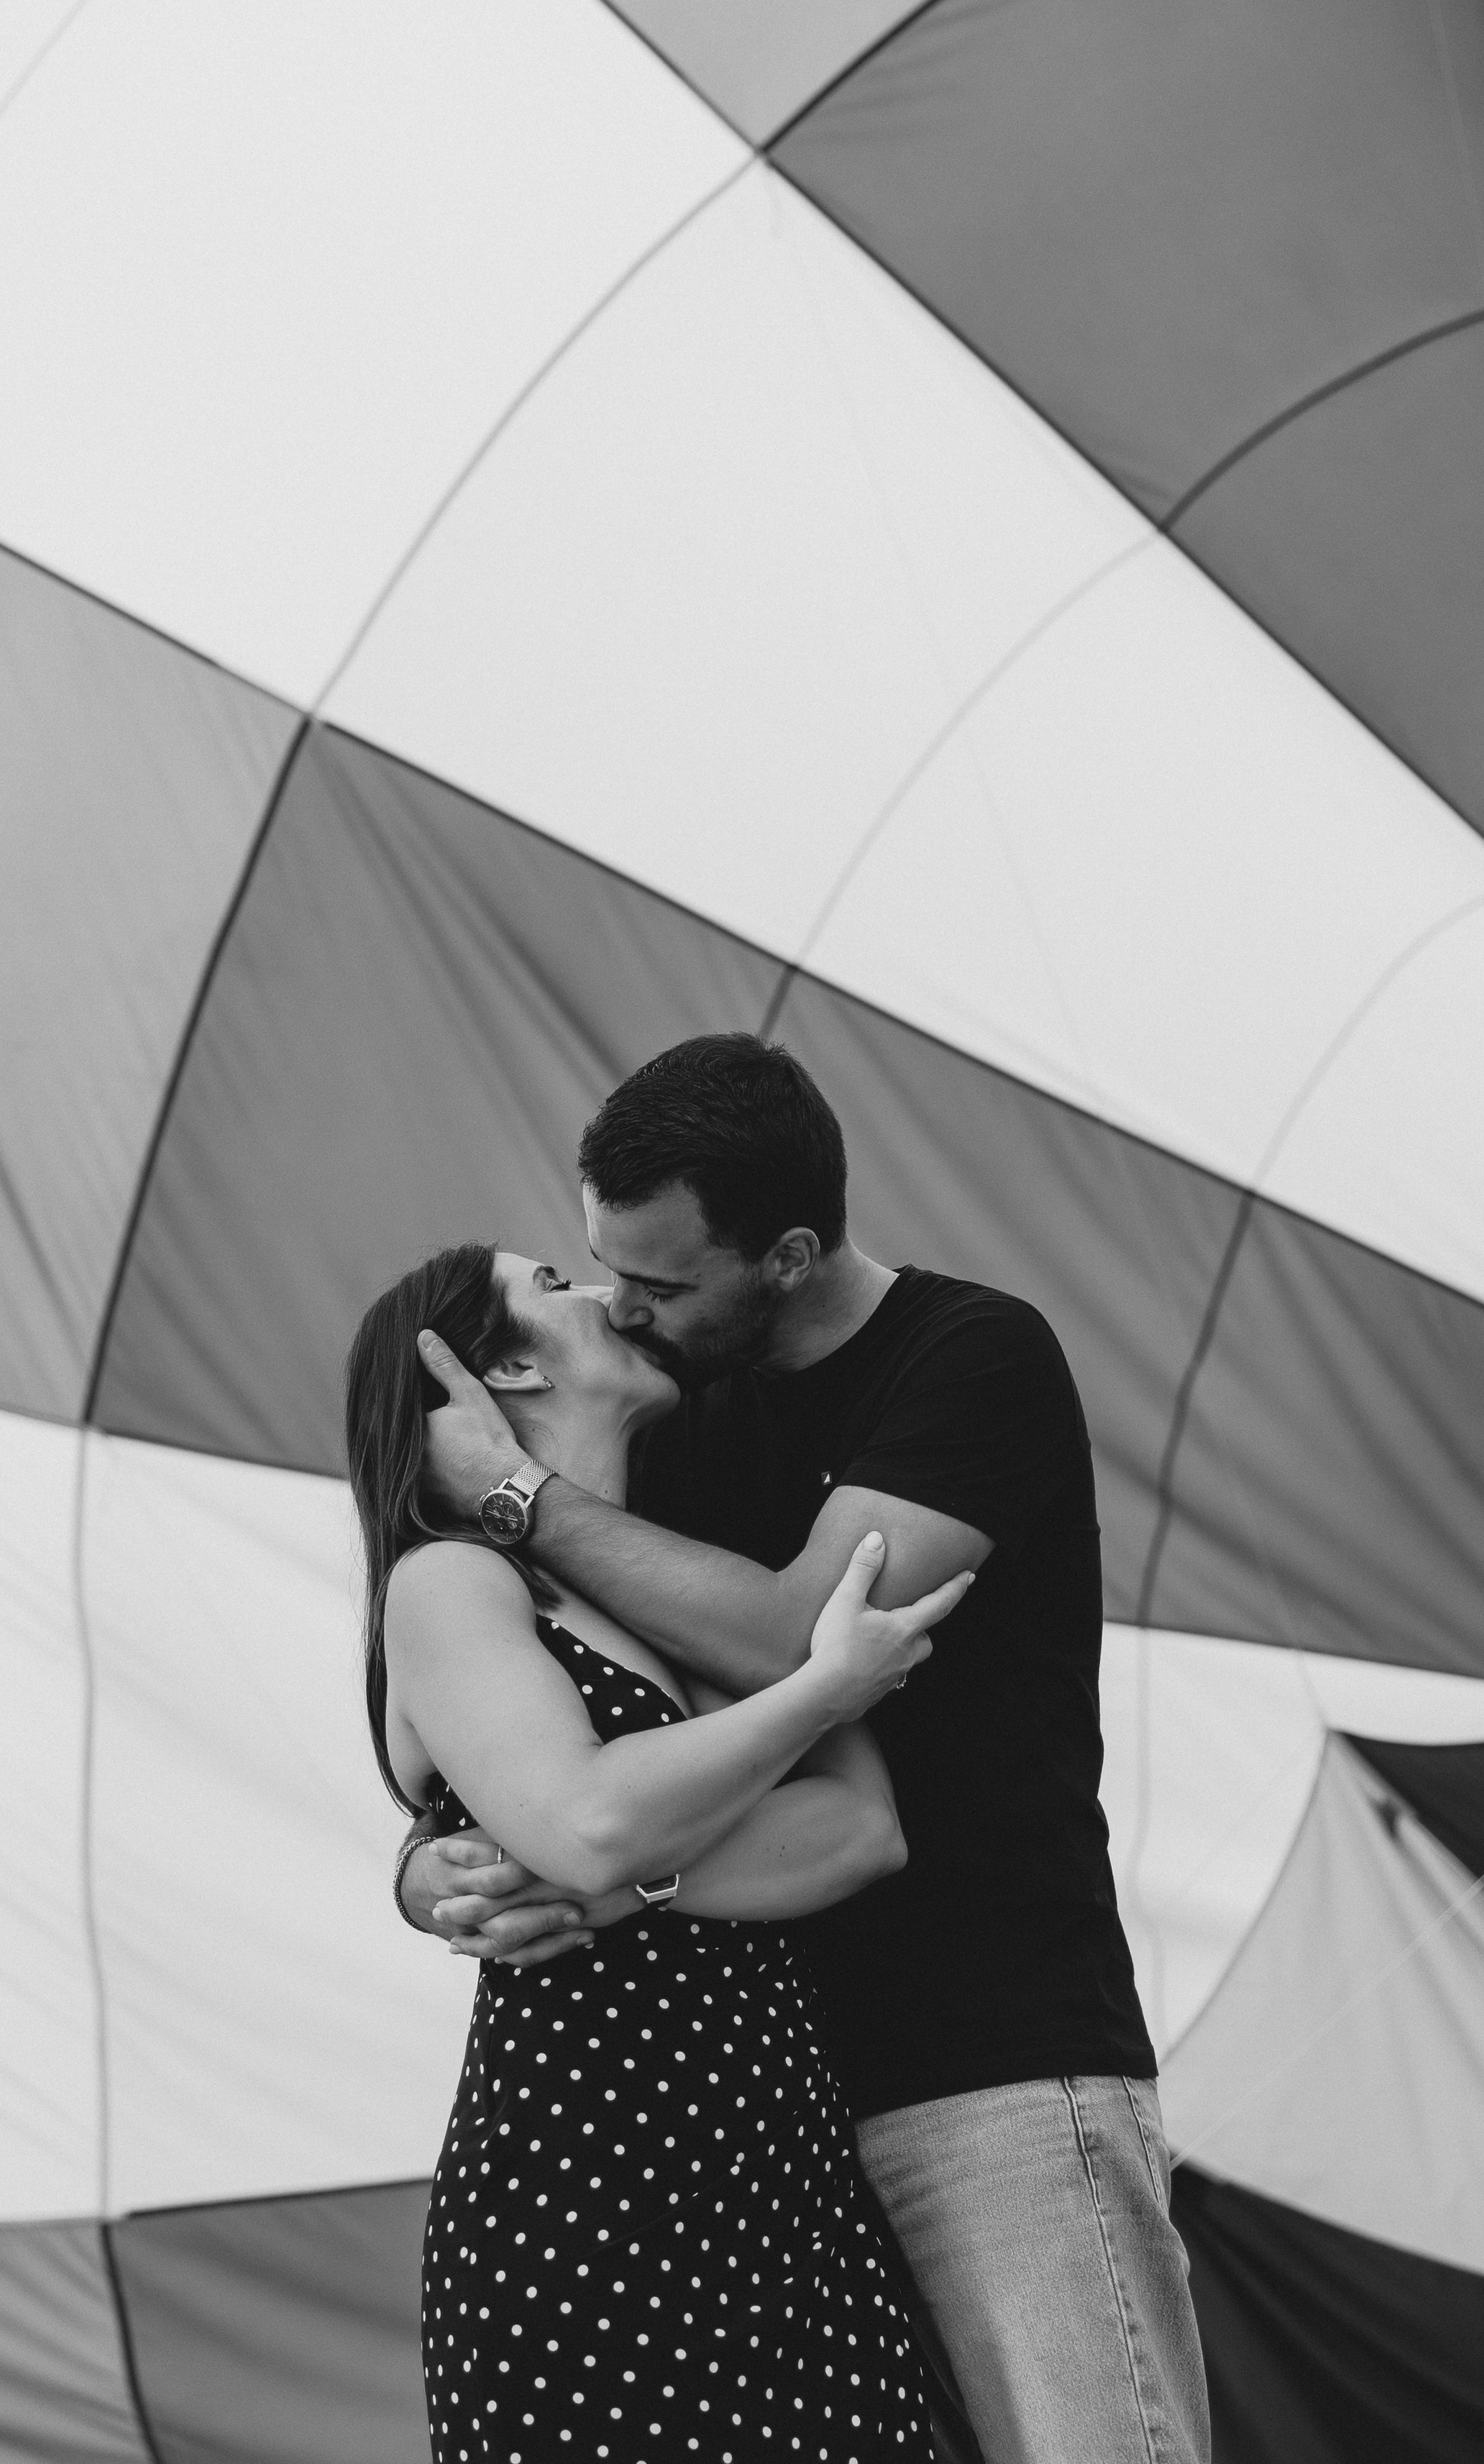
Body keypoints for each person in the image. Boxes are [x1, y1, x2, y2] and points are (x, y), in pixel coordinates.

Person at [400, 1035, 1212, 2464]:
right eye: (603, 1271)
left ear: (783, 1254)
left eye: (658, 1282)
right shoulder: (671, 1429)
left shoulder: (972, 1358)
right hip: (765, 2130)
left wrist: (518, 1495)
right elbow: (551, 1733)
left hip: (994, 2074)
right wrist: (437, 1871)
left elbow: (793, 1644)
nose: (625, 1309)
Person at [350, 1238, 972, 2462]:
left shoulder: (679, 1589)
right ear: (513, 1368)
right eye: (555, 1286)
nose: (604, 1297)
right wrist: (823, 1692)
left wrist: (629, 1870)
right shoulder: (456, 1584)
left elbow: (857, 1830)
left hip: (781, 2189)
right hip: (588, 2204)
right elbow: (590, 1819)